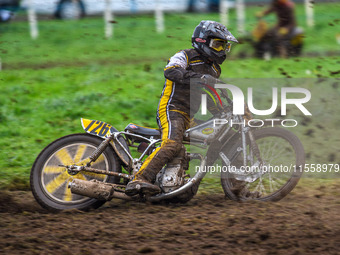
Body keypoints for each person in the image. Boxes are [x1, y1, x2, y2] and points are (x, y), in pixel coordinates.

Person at [125, 20, 238, 196]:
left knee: (222, 136)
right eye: (217, 44)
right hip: (172, 109)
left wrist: (223, 111)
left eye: (224, 46)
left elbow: (206, 95)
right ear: (202, 41)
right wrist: (200, 78)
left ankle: (224, 184)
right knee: (172, 144)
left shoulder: (214, 69)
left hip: (190, 116)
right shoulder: (184, 55)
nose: (221, 50)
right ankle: (140, 179)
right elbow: (171, 71)